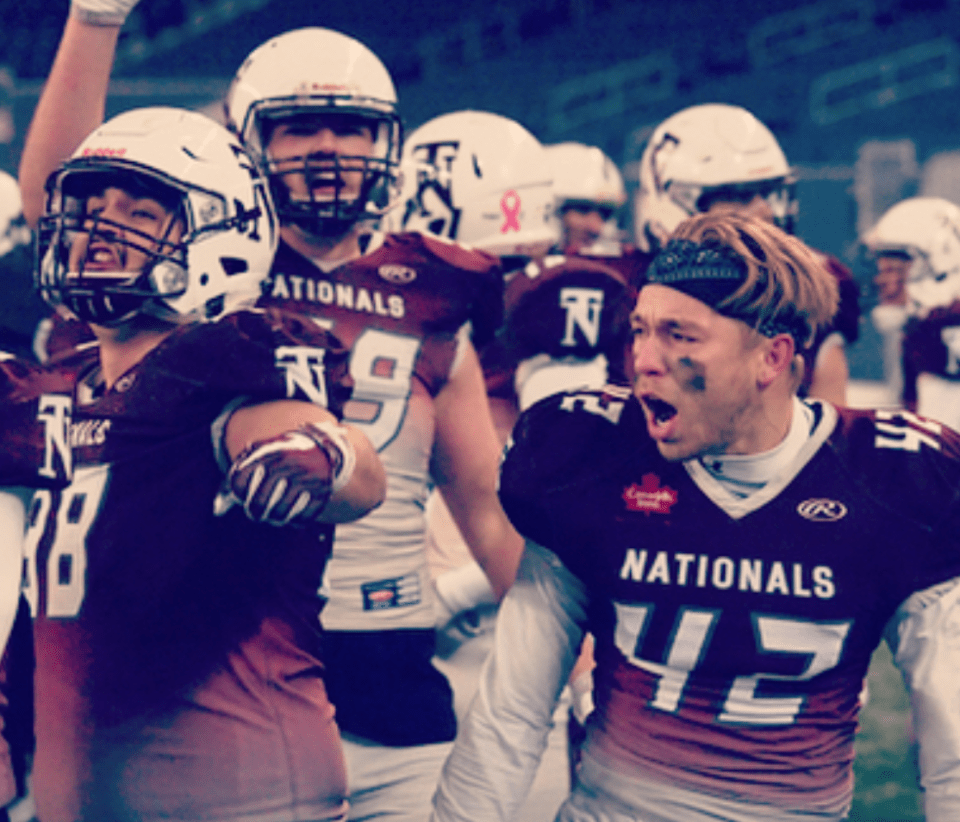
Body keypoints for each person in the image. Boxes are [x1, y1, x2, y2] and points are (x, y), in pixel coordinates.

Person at [19, 7, 524, 819]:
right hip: (221, 651)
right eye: (298, 128)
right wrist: (97, 19)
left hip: (389, 666)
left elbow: (486, 510)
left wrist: (566, 673)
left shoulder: (433, 290)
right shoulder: (208, 281)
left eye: (349, 128)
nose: (327, 149)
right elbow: (64, 198)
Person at [433, 210, 960, 822]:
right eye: (640, 330)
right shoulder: (589, 456)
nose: (643, 360)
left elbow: (952, 744)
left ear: (772, 357)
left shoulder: (896, 482)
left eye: (679, 335)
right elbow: (510, 713)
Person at [16, 105, 386, 822]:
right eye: (91, 210)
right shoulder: (58, 384)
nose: (100, 228)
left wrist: (329, 458)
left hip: (246, 799)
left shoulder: (227, 368)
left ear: (222, 238)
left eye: (139, 212)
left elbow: (346, 462)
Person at [634, 102, 860, 406]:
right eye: (738, 196)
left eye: (767, 192)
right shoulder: (628, 286)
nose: (764, 210)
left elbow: (831, 420)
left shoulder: (809, 284)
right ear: (673, 204)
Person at [862, 195, 960, 426]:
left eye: (893, 269)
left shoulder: (944, 332)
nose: (881, 282)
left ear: (942, 266)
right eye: (881, 270)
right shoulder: (921, 330)